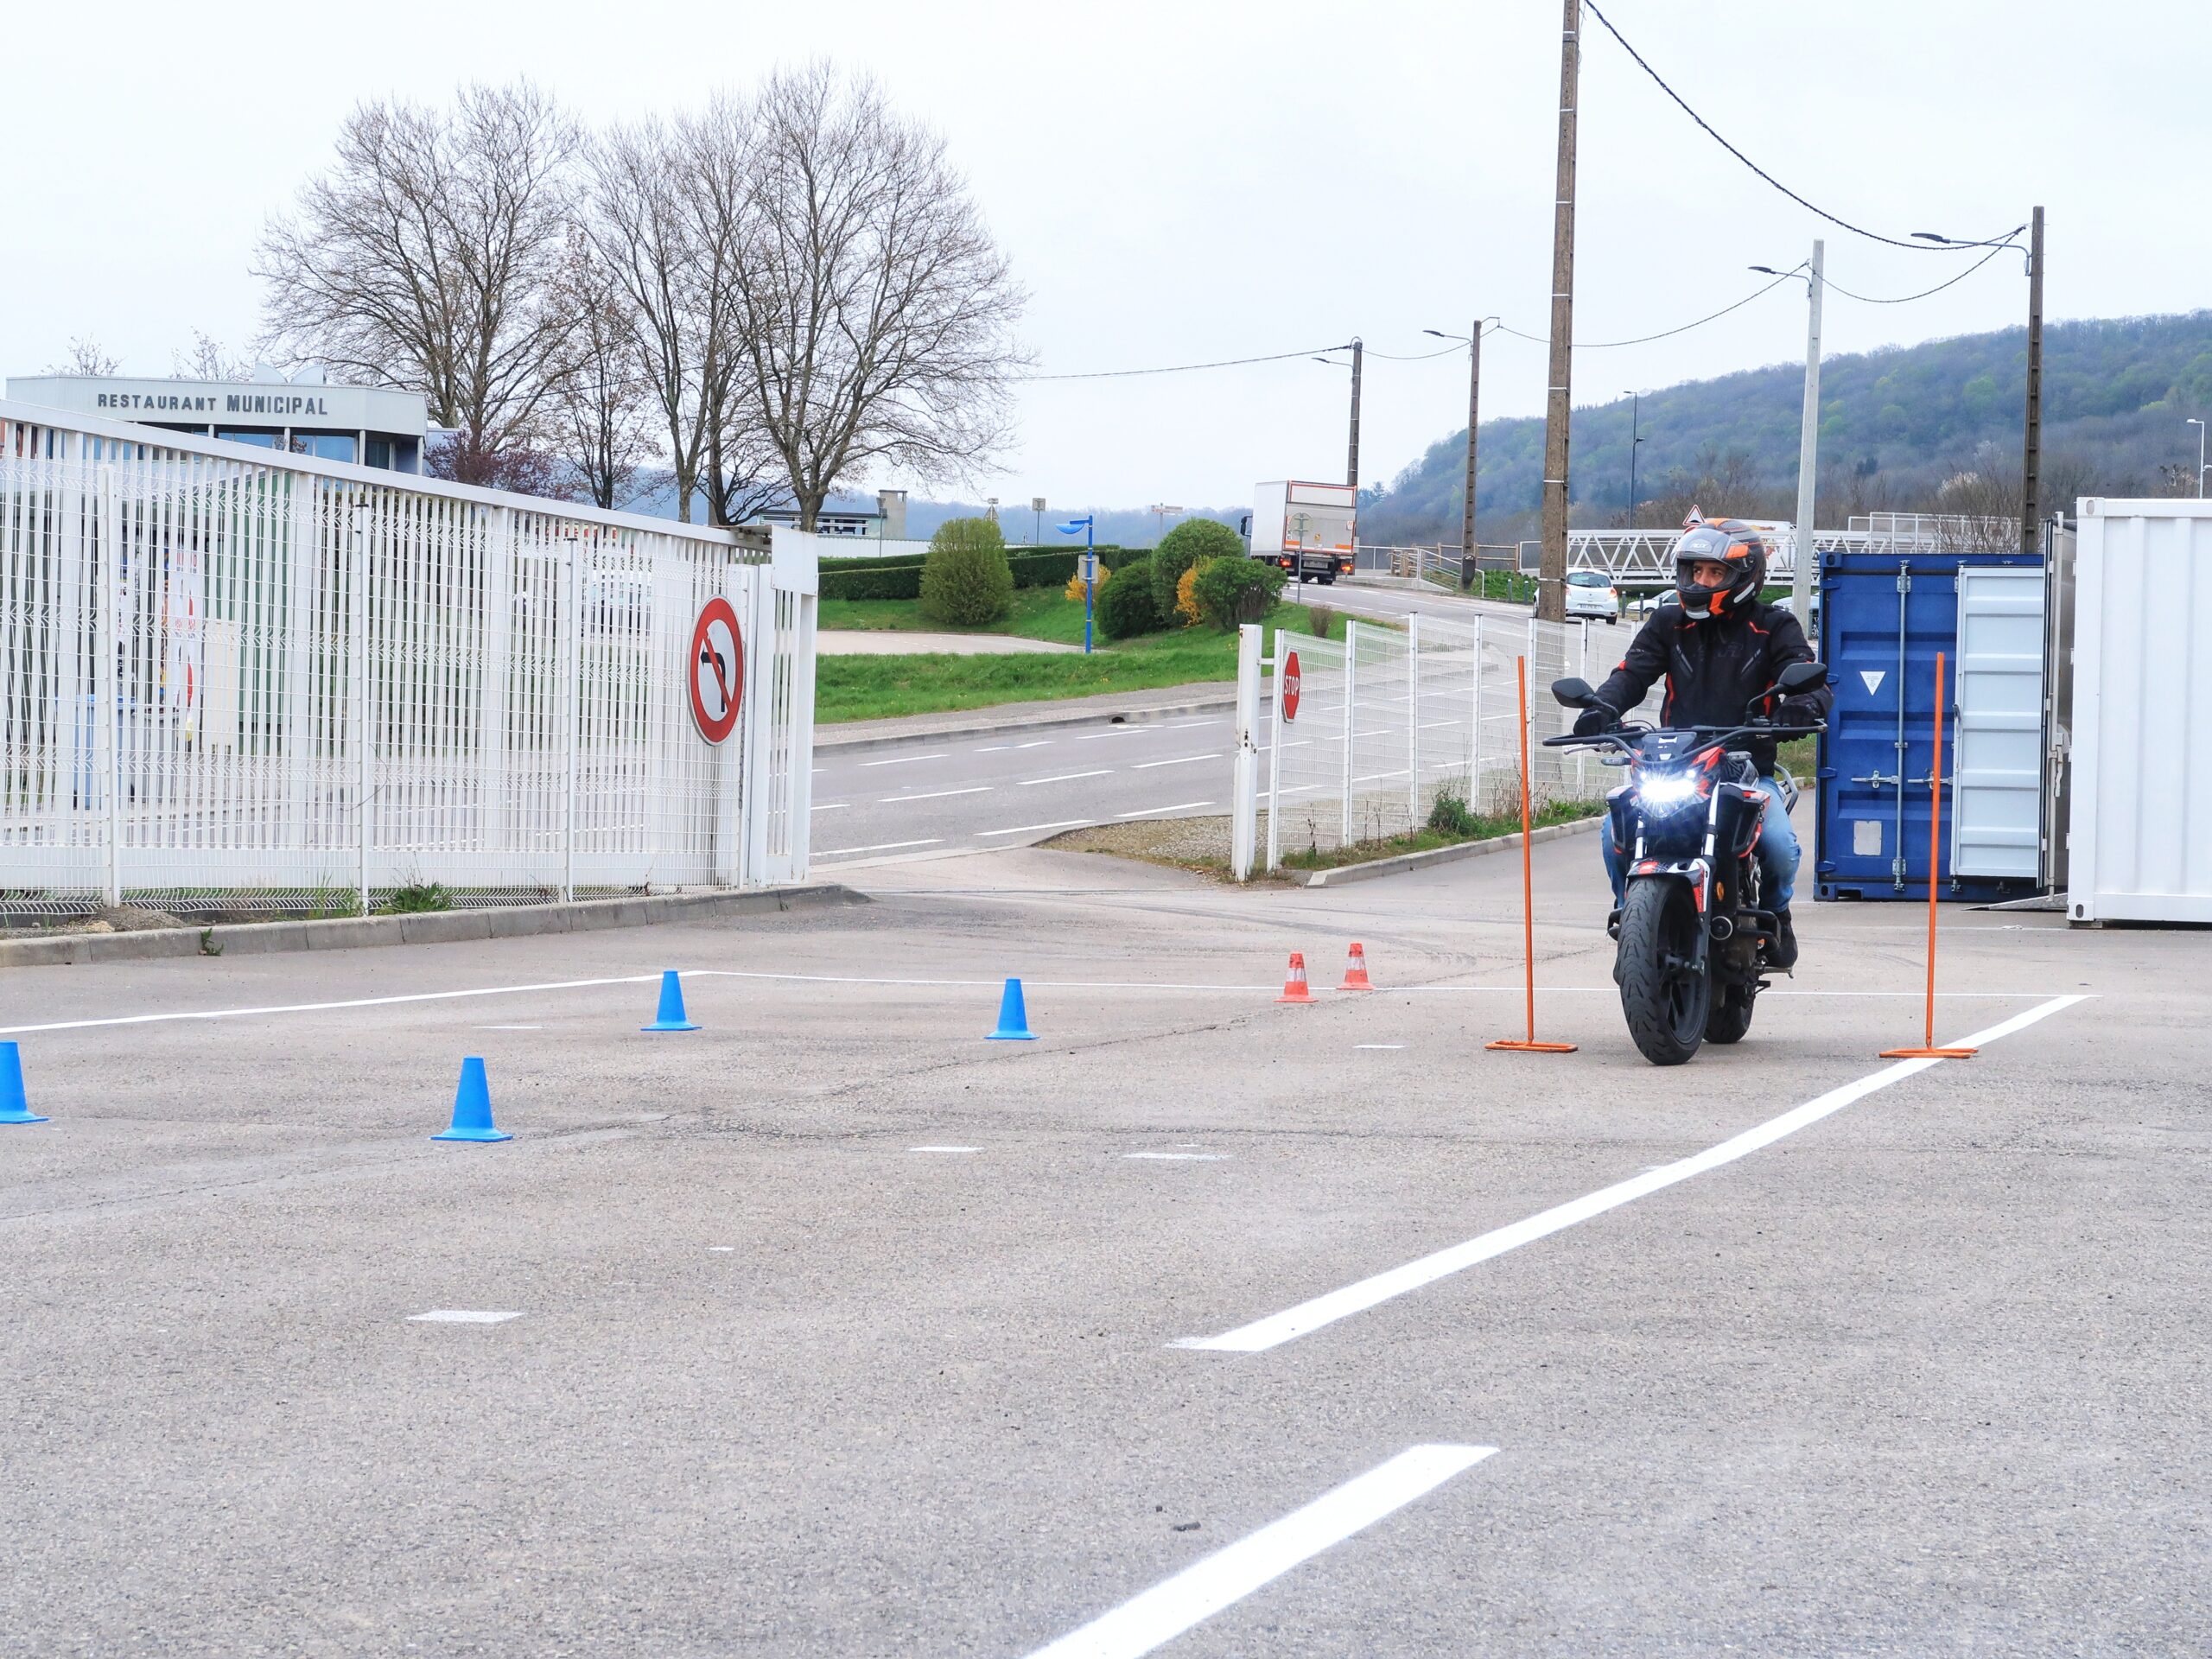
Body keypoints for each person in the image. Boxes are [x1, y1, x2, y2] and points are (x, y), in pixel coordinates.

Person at [1573, 516, 1832, 969]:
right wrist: (1602, 708)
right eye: (1695, 571)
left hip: (1744, 769)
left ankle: (1776, 914)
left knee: (1777, 846)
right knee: (1614, 832)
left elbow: (1808, 674)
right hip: (1674, 767)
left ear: (1745, 574)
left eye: (1714, 572)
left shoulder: (1774, 624)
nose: (1701, 580)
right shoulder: (1668, 622)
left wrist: (1803, 706)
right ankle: (1631, 920)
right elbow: (1631, 674)